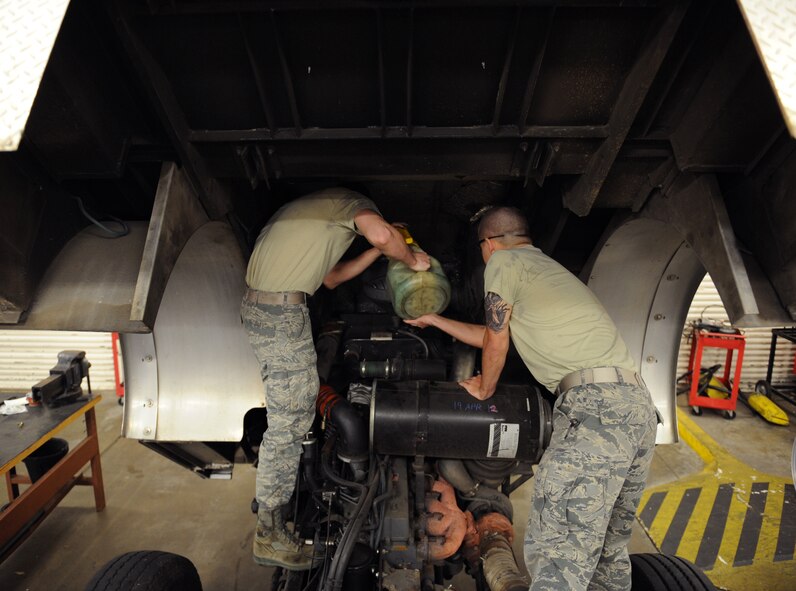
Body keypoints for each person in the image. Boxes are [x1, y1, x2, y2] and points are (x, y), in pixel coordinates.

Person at [405, 206, 659, 591]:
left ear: (488, 244)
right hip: (635, 407)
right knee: (605, 553)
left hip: (594, 408)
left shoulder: (504, 263)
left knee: (558, 549)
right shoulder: (543, 273)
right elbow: (490, 332)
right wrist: (436, 320)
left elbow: (496, 339)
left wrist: (484, 387)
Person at [242, 187, 430, 570]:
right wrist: (413, 260)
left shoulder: (313, 211)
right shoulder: (354, 205)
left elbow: (332, 279)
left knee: (288, 415)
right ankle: (269, 534)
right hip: (281, 314)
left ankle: (273, 519)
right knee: (289, 423)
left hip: (261, 309)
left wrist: (380, 250)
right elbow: (381, 234)